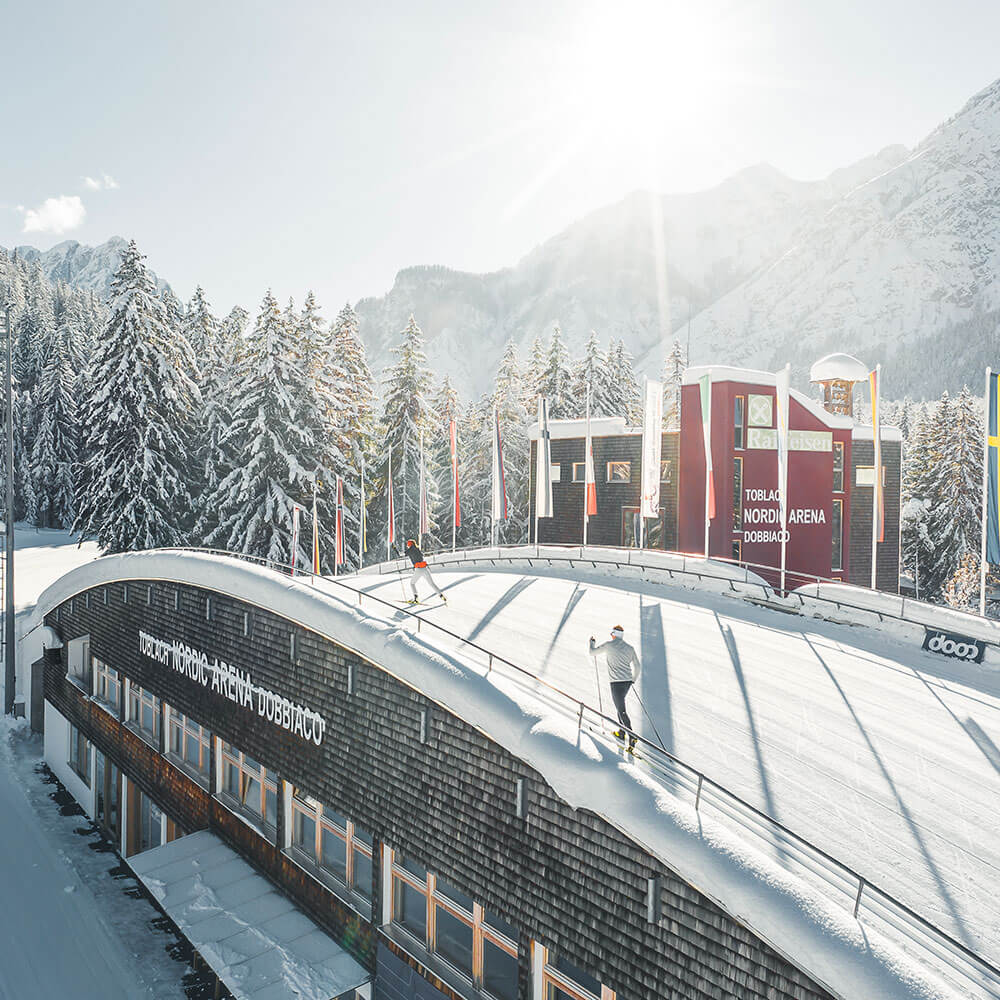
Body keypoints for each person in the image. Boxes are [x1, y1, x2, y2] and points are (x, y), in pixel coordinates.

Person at [589, 625, 641, 750]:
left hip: (616, 683)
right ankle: (621, 733)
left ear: (613, 634)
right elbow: (637, 667)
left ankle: (632, 736)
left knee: (621, 709)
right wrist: (632, 680)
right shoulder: (630, 648)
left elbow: (592, 653)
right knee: (620, 706)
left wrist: (591, 643)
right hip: (627, 682)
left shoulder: (609, 645)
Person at [405, 539, 446, 604]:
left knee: (412, 583)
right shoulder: (417, 549)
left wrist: (395, 549)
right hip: (425, 568)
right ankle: (441, 595)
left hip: (418, 569)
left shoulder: (410, 550)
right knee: (432, 584)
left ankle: (416, 598)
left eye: (407, 544)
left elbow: (400, 555)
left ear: (409, 544)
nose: (407, 545)